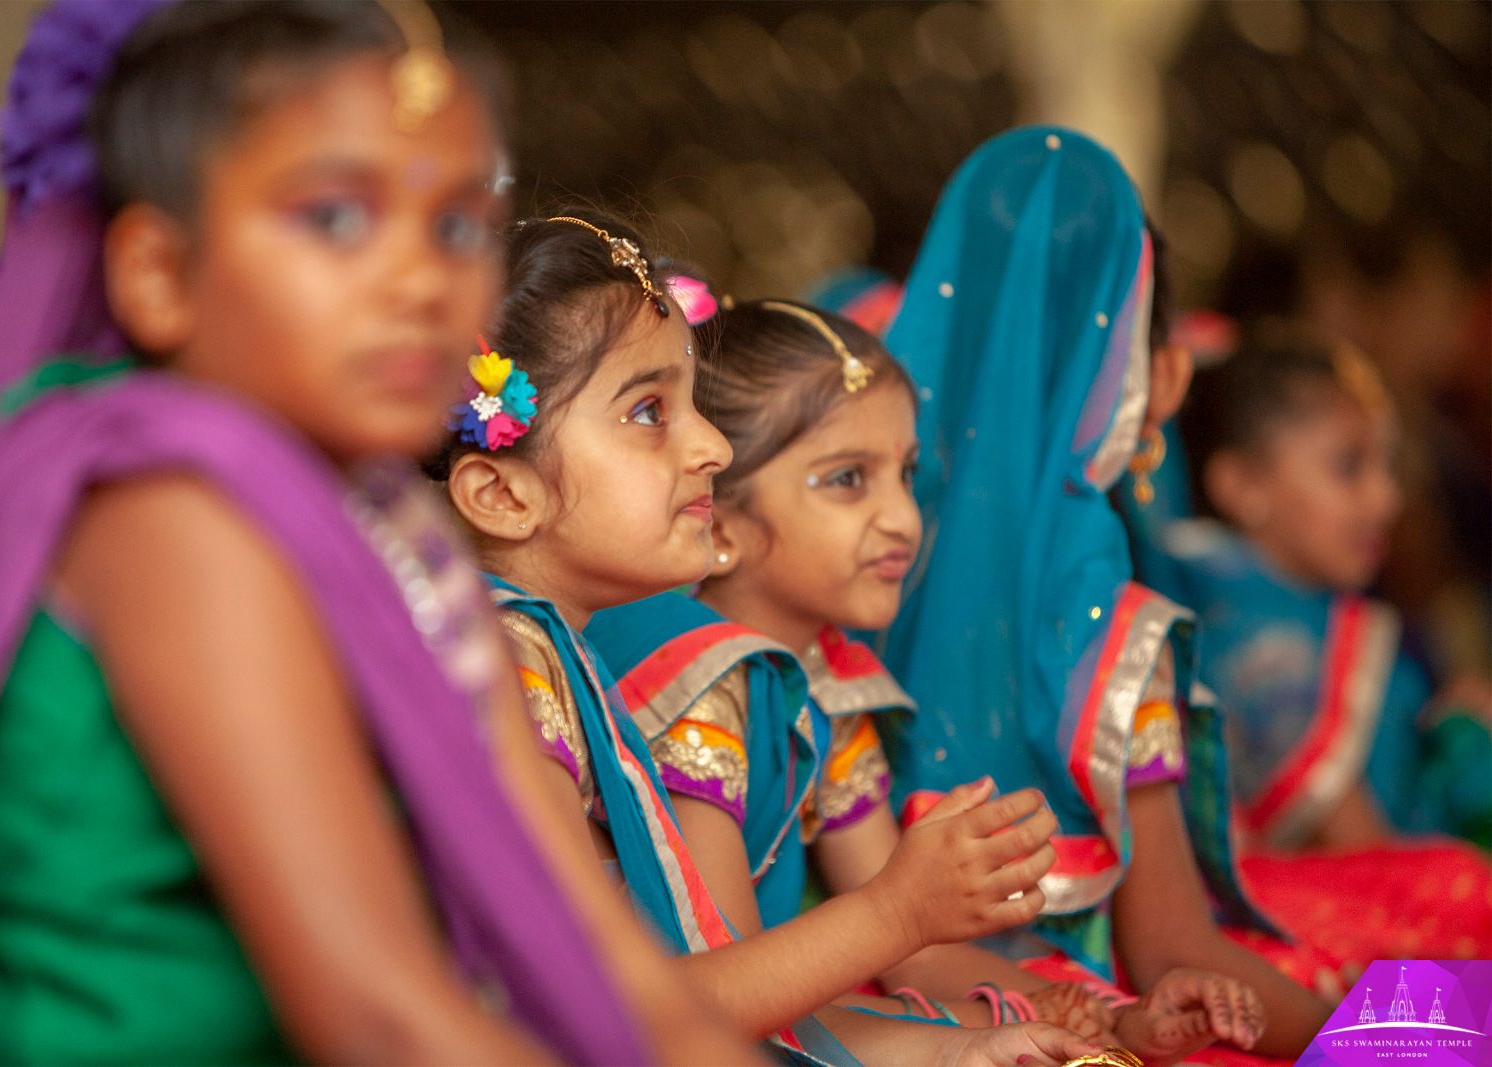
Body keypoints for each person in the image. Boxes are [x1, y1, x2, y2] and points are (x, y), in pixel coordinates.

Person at [0, 3, 755, 1063]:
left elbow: (610, 963)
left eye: (454, 224)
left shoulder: (397, 527)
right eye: (336, 217)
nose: (419, 280)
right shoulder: (170, 514)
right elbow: (382, 1017)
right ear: (160, 273)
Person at [436, 209, 1106, 1066]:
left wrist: (958, 1048)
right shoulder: (503, 661)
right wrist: (895, 913)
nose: (712, 445)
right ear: (501, 493)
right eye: (649, 410)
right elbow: (614, 1016)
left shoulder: (558, 656)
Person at [589, 295, 1270, 1065]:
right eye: (847, 478)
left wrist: (1111, 1017)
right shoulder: (700, 679)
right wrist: (962, 1038)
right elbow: (729, 1005)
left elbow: (914, 950)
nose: (903, 518)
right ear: (721, 522)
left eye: (907, 474)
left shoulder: (829, 680)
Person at [873, 126, 1330, 1060]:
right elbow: (1168, 948)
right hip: (1054, 1012)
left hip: (874, 1006)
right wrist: (1395, 1044)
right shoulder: (1104, 610)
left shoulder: (861, 551)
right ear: (1151, 372)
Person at [1117, 330, 1492, 964]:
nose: (1387, 498)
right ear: (1243, 487)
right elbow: (1366, 859)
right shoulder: (1266, 649)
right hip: (1325, 929)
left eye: (1388, 465)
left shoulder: (1298, 613)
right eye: (1349, 466)